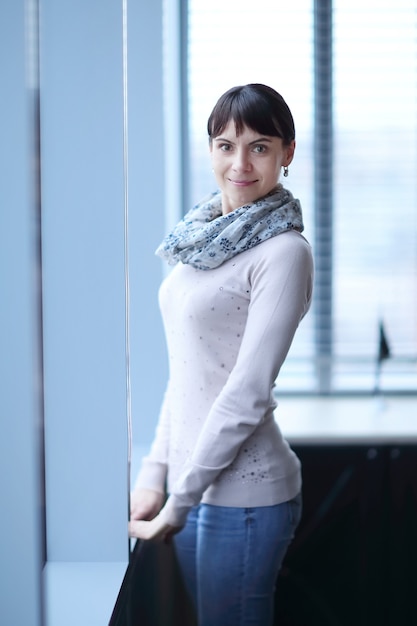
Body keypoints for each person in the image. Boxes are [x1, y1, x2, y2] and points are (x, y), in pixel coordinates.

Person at [129, 83, 314, 626]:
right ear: (210, 150)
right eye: (225, 144)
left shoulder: (283, 252)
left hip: (247, 498)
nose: (241, 162)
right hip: (194, 489)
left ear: (288, 152)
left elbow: (247, 392)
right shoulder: (203, 239)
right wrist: (153, 474)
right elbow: (188, 374)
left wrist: (178, 501)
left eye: (260, 146)